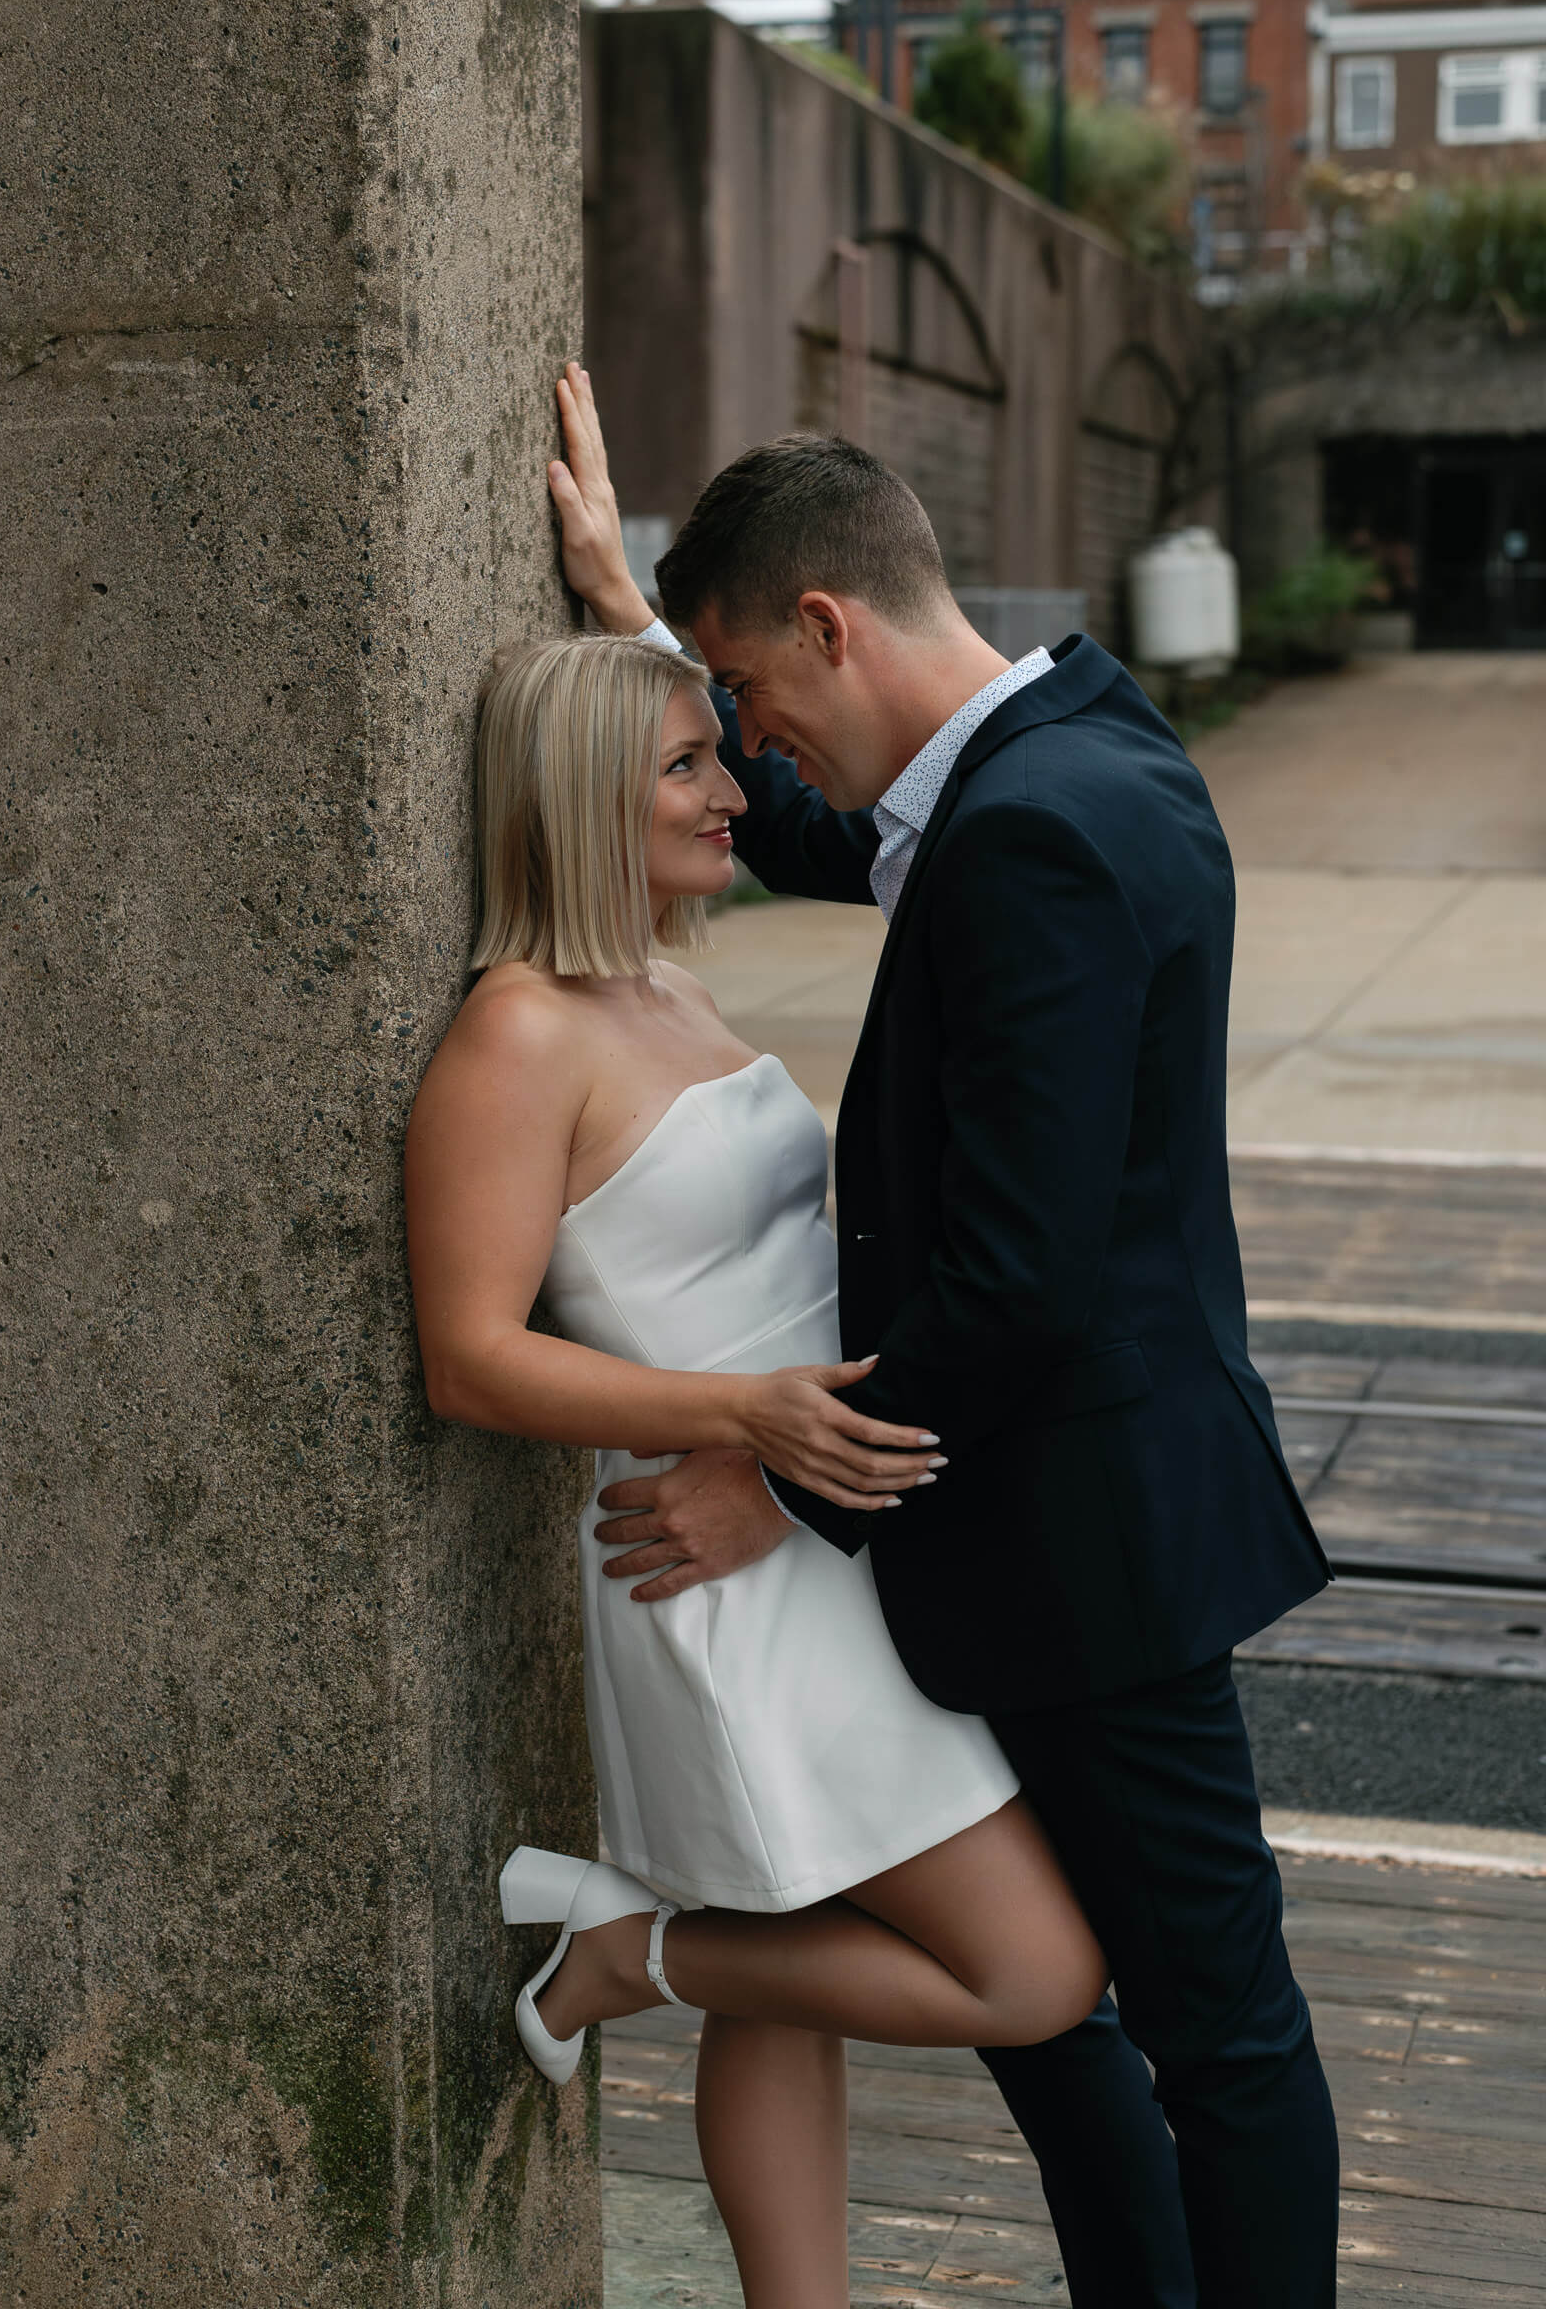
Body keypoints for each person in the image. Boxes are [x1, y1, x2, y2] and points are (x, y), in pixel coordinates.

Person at [546, 364, 1341, 2309]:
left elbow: (1015, 1281)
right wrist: (633, 624)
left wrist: (773, 1482)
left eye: (748, 698)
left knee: (1215, 2038)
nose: (750, 751)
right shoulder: (1079, 743)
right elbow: (835, 839)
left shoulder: (1027, 835)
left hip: (1086, 1531)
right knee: (1064, 2023)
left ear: (826, 625)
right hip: (1053, 1516)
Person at [405, 626, 1110, 2309]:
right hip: (713, 1561)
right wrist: (748, 1425)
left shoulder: (675, 988)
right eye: (685, 763)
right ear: (582, 795)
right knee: (1036, 1971)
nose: (737, 790)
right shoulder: (515, 1038)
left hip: (819, 1531)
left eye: (720, 748)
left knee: (786, 1988)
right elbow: (471, 1358)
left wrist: (624, 595)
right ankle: (622, 1955)